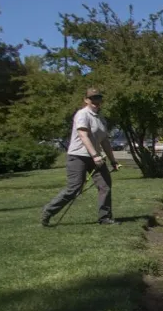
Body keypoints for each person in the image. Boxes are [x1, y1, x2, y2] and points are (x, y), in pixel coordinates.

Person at [42, 87, 121, 226]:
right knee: (75, 188)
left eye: (98, 98)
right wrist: (95, 155)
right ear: (86, 100)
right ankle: (48, 211)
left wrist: (113, 161)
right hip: (78, 156)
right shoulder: (82, 114)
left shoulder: (101, 119)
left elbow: (105, 141)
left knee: (105, 186)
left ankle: (105, 218)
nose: (96, 101)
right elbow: (83, 136)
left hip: (95, 157)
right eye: (92, 99)